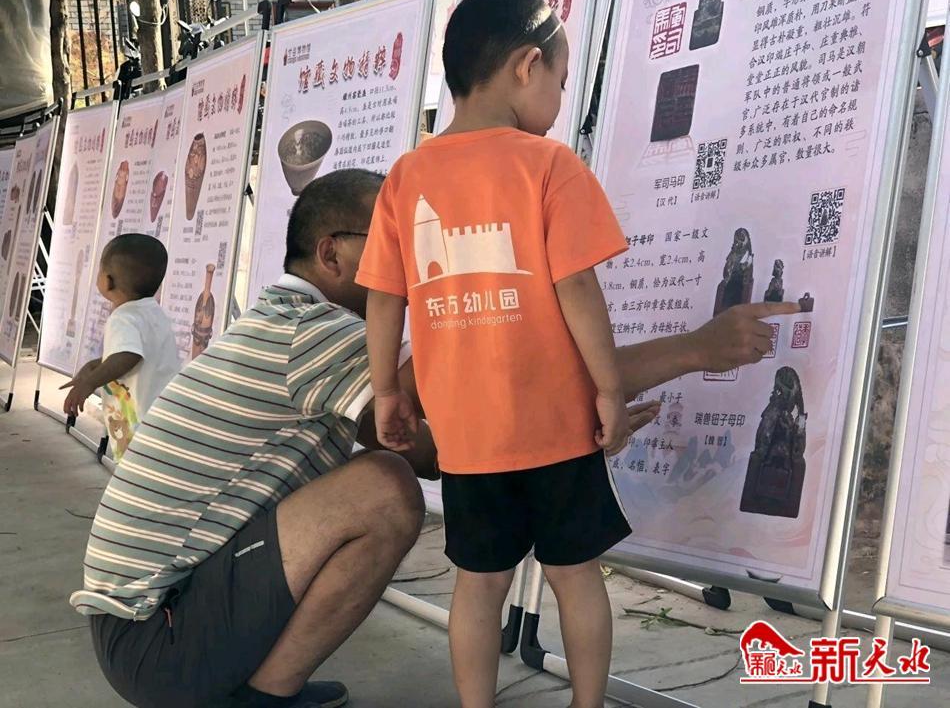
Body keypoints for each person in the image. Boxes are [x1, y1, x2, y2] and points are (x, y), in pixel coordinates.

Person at [71, 169, 794, 708]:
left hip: (154, 621)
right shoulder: (312, 334)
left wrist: (567, 414)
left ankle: (262, 683)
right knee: (385, 490)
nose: (415, 264)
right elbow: (457, 441)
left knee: (390, 477)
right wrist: (690, 352)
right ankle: (263, 695)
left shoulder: (298, 324)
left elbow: (469, 424)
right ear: (332, 255)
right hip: (154, 634)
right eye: (393, 244)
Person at [355, 0, 796, 707]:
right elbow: (578, 288)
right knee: (575, 575)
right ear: (526, 66)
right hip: (555, 427)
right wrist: (608, 390)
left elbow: (385, 297)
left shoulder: (406, 178)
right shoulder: (548, 165)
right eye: (561, 83)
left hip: (466, 437)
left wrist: (386, 391)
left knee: (478, 584)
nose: (561, 101)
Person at [61, 233, 181, 461]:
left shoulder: (123, 318)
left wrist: (89, 383)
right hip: (161, 416)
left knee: (136, 474)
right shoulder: (153, 312)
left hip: (139, 425)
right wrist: (95, 366)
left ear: (108, 281)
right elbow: (136, 353)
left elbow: (129, 355)